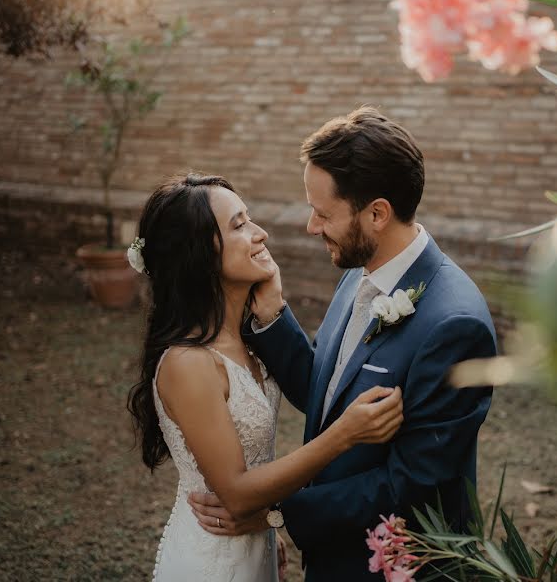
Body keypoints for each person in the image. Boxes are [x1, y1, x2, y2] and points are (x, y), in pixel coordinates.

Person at [189, 107, 498, 581]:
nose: (311, 226)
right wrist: (272, 316)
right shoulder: (361, 271)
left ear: (376, 213)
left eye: (323, 213)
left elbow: (414, 484)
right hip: (334, 559)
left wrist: (279, 511)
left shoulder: (455, 325)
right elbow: (328, 395)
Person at [127, 172, 404, 582]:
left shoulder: (247, 338)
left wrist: (272, 527)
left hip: (256, 549)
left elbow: (310, 387)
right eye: (239, 225)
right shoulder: (189, 363)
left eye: (250, 219)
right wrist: (343, 434)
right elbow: (236, 494)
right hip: (211, 560)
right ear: (198, 253)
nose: (261, 233)